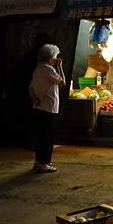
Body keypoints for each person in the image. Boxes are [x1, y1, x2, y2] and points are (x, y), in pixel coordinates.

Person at [28, 44, 66, 172]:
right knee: (48, 137)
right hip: (49, 108)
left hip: (39, 108)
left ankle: (38, 162)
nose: (56, 59)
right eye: (55, 57)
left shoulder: (38, 69)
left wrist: (35, 100)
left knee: (41, 136)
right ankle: (44, 163)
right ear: (50, 58)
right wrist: (60, 66)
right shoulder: (49, 70)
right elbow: (62, 83)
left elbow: (30, 88)